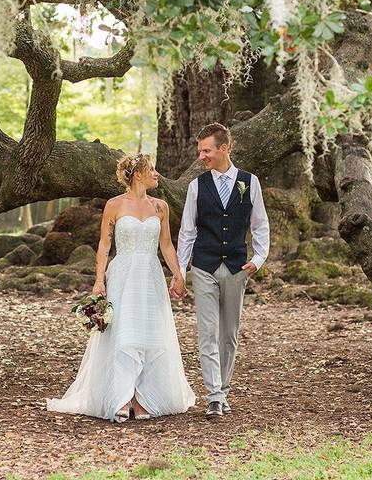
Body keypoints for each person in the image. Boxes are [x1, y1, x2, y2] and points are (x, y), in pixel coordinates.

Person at [47, 154, 196, 422]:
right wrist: (99, 280)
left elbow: (166, 245)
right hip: (123, 275)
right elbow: (104, 245)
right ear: (137, 174)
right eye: (151, 169)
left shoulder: (160, 207)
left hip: (150, 275)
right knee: (124, 334)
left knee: (150, 334)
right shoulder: (114, 205)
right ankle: (122, 396)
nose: (156, 173)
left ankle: (144, 398)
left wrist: (178, 276)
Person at [176, 122, 270, 420]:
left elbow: (260, 225)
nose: (202, 156)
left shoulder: (249, 182)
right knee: (207, 333)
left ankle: (224, 390)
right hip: (203, 267)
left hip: (236, 268)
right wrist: (180, 270)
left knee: (229, 334)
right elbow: (187, 231)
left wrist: (259, 258)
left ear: (223, 148)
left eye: (207, 150)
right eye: (200, 150)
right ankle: (214, 396)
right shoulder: (196, 186)